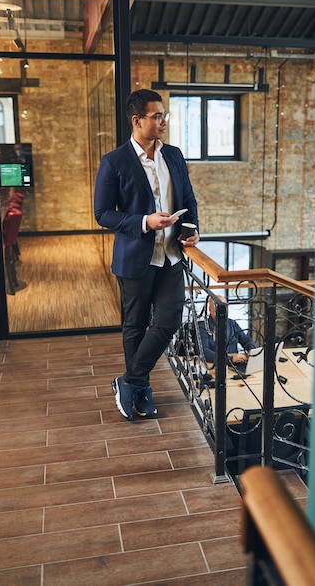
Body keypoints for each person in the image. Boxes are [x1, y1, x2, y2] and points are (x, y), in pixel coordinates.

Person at [94, 89, 199, 422]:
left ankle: (130, 380)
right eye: (157, 116)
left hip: (170, 255)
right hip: (135, 257)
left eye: (164, 115)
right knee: (135, 326)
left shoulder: (175, 156)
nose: (163, 121)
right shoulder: (114, 161)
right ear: (137, 121)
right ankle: (141, 388)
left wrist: (191, 228)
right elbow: (102, 213)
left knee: (169, 320)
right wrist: (143, 222)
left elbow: (189, 198)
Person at [198, 296, 256, 371]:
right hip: (215, 367)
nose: (221, 311)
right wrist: (231, 359)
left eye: (224, 307)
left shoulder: (232, 323)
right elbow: (204, 353)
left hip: (235, 365)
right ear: (210, 309)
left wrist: (251, 350)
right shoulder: (203, 327)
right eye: (217, 308)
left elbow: (246, 339)